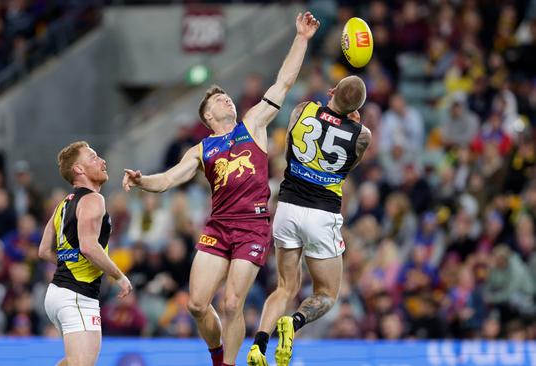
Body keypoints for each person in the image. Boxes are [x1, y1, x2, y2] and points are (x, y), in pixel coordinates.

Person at [123, 12, 319, 366]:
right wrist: (141, 181)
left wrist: (301, 39)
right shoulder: (201, 150)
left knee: (231, 303)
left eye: (228, 97)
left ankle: (227, 364)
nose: (227, 100)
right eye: (219, 101)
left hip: (252, 226)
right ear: (208, 117)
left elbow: (284, 82)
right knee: (197, 304)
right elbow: (168, 179)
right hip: (218, 227)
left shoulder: (253, 124)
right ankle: (217, 357)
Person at [247, 76, 372, 366]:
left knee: (284, 287)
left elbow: (290, 145)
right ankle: (295, 322)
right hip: (322, 213)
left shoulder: (301, 109)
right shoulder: (362, 134)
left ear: (331, 92)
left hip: (288, 207)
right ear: (357, 107)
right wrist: (351, 119)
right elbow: (347, 167)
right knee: (327, 293)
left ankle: (258, 346)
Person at [39, 141, 132, 366]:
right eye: (93, 157)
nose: (102, 161)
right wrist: (119, 275)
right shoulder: (93, 199)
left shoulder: (63, 204)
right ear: (78, 170)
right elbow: (89, 247)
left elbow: (44, 251)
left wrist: (69, 260)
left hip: (58, 293)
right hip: (76, 294)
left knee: (74, 363)